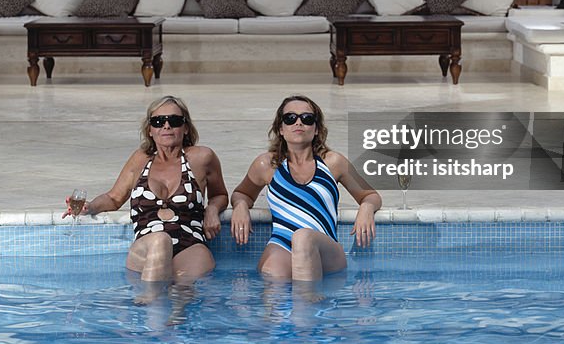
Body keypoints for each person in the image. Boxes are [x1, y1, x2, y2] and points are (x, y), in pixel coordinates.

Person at [64, 95, 228, 284]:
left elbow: (220, 195)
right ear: (150, 130)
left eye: (174, 121)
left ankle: (156, 309)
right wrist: (90, 206)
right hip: (147, 246)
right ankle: (152, 308)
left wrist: (213, 209)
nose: (166, 126)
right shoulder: (141, 159)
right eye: (158, 121)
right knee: (161, 240)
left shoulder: (202, 158)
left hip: (190, 245)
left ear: (186, 128)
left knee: (182, 293)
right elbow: (114, 198)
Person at [229, 94, 381, 281]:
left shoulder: (333, 163)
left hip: (325, 250)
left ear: (316, 129)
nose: (298, 123)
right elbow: (242, 193)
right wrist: (241, 206)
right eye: (290, 118)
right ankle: (286, 308)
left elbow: (371, 195)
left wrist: (366, 207)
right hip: (282, 244)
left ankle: (305, 308)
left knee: (302, 237)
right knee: (273, 271)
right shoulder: (266, 165)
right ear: (281, 129)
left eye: (307, 119)